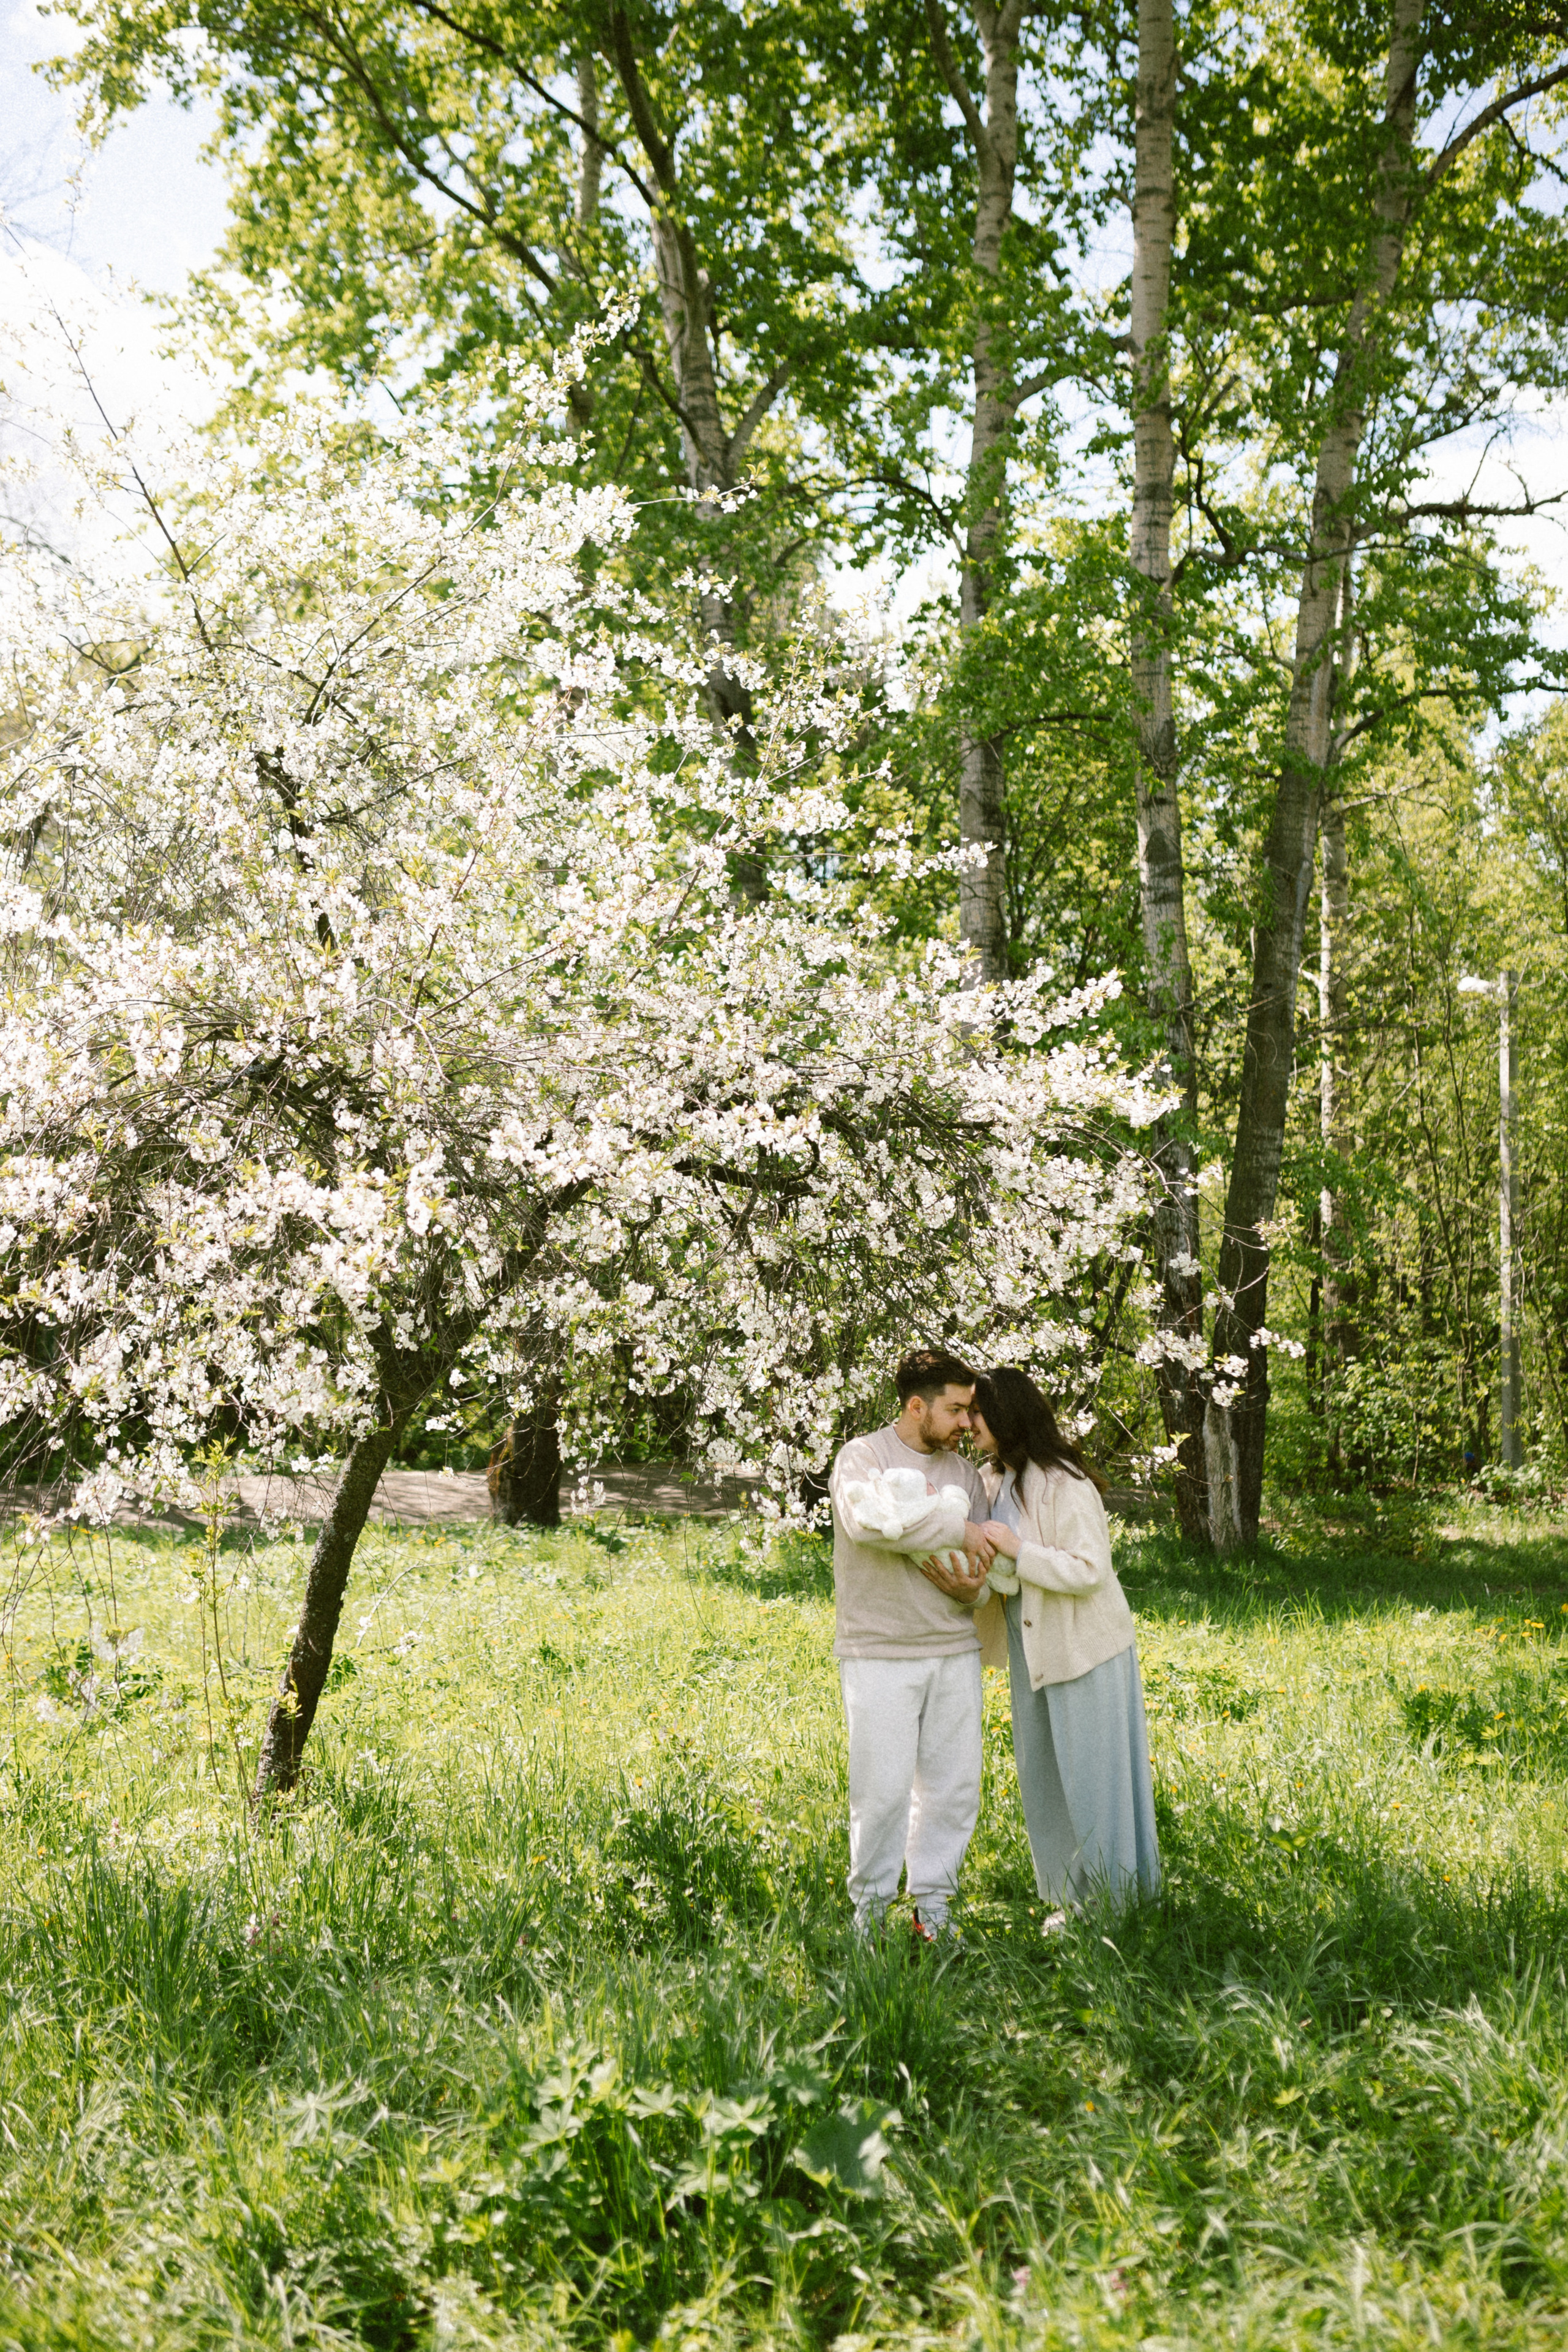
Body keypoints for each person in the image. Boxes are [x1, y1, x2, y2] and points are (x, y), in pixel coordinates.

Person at [959, 1366, 1159, 1925]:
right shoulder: (995, 1481)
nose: (969, 1422)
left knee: (1096, 1781)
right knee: (1046, 1778)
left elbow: (1091, 1569)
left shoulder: (1064, 1481)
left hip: (1084, 1648)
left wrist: (1018, 1552)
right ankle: (1071, 1900)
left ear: (1007, 1415)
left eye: (978, 1412)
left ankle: (1117, 1907)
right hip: (1032, 1649)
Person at [829, 1346, 995, 1940]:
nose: (965, 1425)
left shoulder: (966, 1476)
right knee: (881, 1793)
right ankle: (869, 1919)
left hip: (954, 1650)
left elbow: (978, 1570)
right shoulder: (863, 1457)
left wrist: (972, 1589)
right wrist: (960, 1527)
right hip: (879, 1651)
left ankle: (935, 1912)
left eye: (969, 1411)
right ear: (917, 1406)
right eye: (955, 1410)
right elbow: (868, 1525)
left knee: (952, 1789)